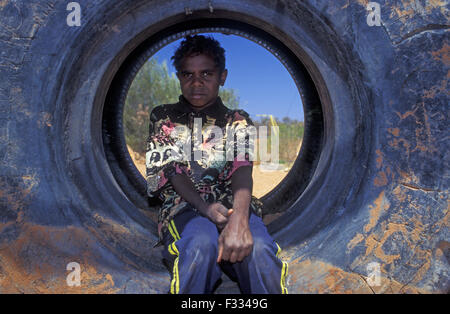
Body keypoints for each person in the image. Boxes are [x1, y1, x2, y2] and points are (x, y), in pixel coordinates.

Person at [145, 34, 288, 294]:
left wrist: (240, 221)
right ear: (179, 77)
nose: (196, 82)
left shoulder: (237, 119)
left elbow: (242, 168)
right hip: (185, 207)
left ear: (222, 76)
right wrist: (206, 208)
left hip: (235, 207)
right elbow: (173, 170)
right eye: (188, 74)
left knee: (259, 251)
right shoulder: (165, 116)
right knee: (200, 244)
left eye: (206, 74)